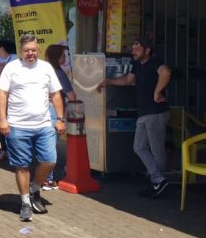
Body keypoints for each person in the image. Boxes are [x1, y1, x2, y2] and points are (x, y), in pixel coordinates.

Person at [0, 34, 65, 222]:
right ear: (21, 51)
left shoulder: (46, 68)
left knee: (50, 160)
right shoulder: (12, 68)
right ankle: (26, 202)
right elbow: (2, 94)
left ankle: (35, 188)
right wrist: (2, 119)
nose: (30, 54)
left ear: (38, 50)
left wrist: (59, 118)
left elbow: (56, 95)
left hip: (43, 124)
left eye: (33, 50)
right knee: (22, 165)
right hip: (18, 126)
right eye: (27, 50)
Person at [94, 36, 172, 198]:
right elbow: (127, 80)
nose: (133, 51)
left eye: (137, 48)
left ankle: (157, 183)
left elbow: (166, 72)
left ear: (147, 50)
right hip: (144, 113)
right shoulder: (137, 65)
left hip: (156, 112)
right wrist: (108, 81)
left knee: (157, 151)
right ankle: (158, 181)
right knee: (139, 147)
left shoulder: (155, 63)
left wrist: (157, 92)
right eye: (133, 48)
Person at [44, 44, 76, 190]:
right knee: (50, 147)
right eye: (63, 56)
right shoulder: (59, 73)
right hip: (54, 112)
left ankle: (46, 178)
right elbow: (71, 95)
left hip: (42, 110)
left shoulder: (44, 71)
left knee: (45, 145)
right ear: (57, 57)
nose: (65, 58)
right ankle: (48, 180)